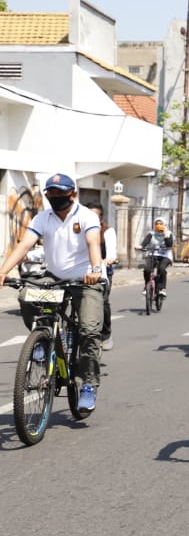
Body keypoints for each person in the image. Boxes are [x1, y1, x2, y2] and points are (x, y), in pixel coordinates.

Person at [0, 173, 106, 412]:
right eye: (52, 193)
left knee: (89, 331)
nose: (56, 197)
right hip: (55, 275)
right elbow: (25, 245)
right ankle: (42, 340)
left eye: (61, 192)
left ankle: (88, 383)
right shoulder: (42, 218)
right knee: (25, 294)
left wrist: (96, 269)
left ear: (73, 194)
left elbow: (93, 244)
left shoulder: (86, 216)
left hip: (86, 278)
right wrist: (3, 271)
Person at [85, 202, 118, 351]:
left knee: (102, 302)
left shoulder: (107, 231)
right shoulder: (78, 229)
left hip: (102, 272)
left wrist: (107, 260)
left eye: (95, 216)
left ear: (101, 217)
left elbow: (111, 253)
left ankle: (106, 334)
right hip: (81, 273)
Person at [140, 217, 173, 297]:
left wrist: (165, 234)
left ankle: (162, 288)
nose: (158, 225)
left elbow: (169, 244)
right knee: (147, 269)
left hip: (165, 255)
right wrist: (141, 246)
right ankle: (146, 286)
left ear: (165, 225)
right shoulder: (151, 233)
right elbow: (145, 241)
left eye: (161, 224)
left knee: (161, 268)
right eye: (157, 224)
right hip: (153, 254)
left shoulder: (168, 233)